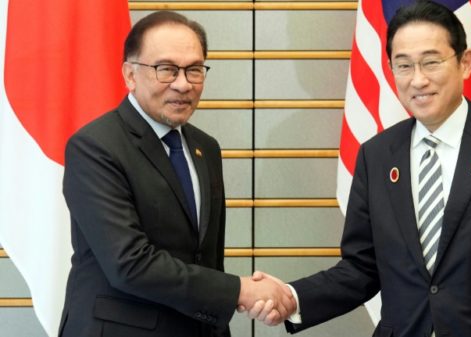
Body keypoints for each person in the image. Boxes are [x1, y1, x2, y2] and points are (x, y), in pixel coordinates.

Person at [247, 1, 471, 336]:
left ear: (465, 63)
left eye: (431, 62)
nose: (418, 80)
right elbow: (362, 268)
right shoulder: (376, 156)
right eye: (404, 66)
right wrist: (292, 298)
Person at [58, 11, 294, 337]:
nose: (183, 84)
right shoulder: (95, 147)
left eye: (195, 70)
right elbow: (130, 263)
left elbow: (206, 260)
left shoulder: (205, 148)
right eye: (166, 69)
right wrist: (240, 291)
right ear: (130, 74)